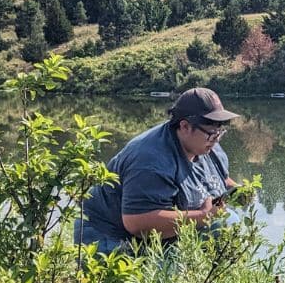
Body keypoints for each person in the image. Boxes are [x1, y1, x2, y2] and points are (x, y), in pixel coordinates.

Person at [75, 88, 240, 254]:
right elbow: (137, 223)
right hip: (110, 235)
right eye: (211, 133)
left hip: (157, 234)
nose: (216, 138)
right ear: (185, 126)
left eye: (220, 131)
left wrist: (238, 190)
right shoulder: (151, 159)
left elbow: (216, 179)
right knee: (168, 269)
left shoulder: (206, 146)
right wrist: (203, 216)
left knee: (229, 221)